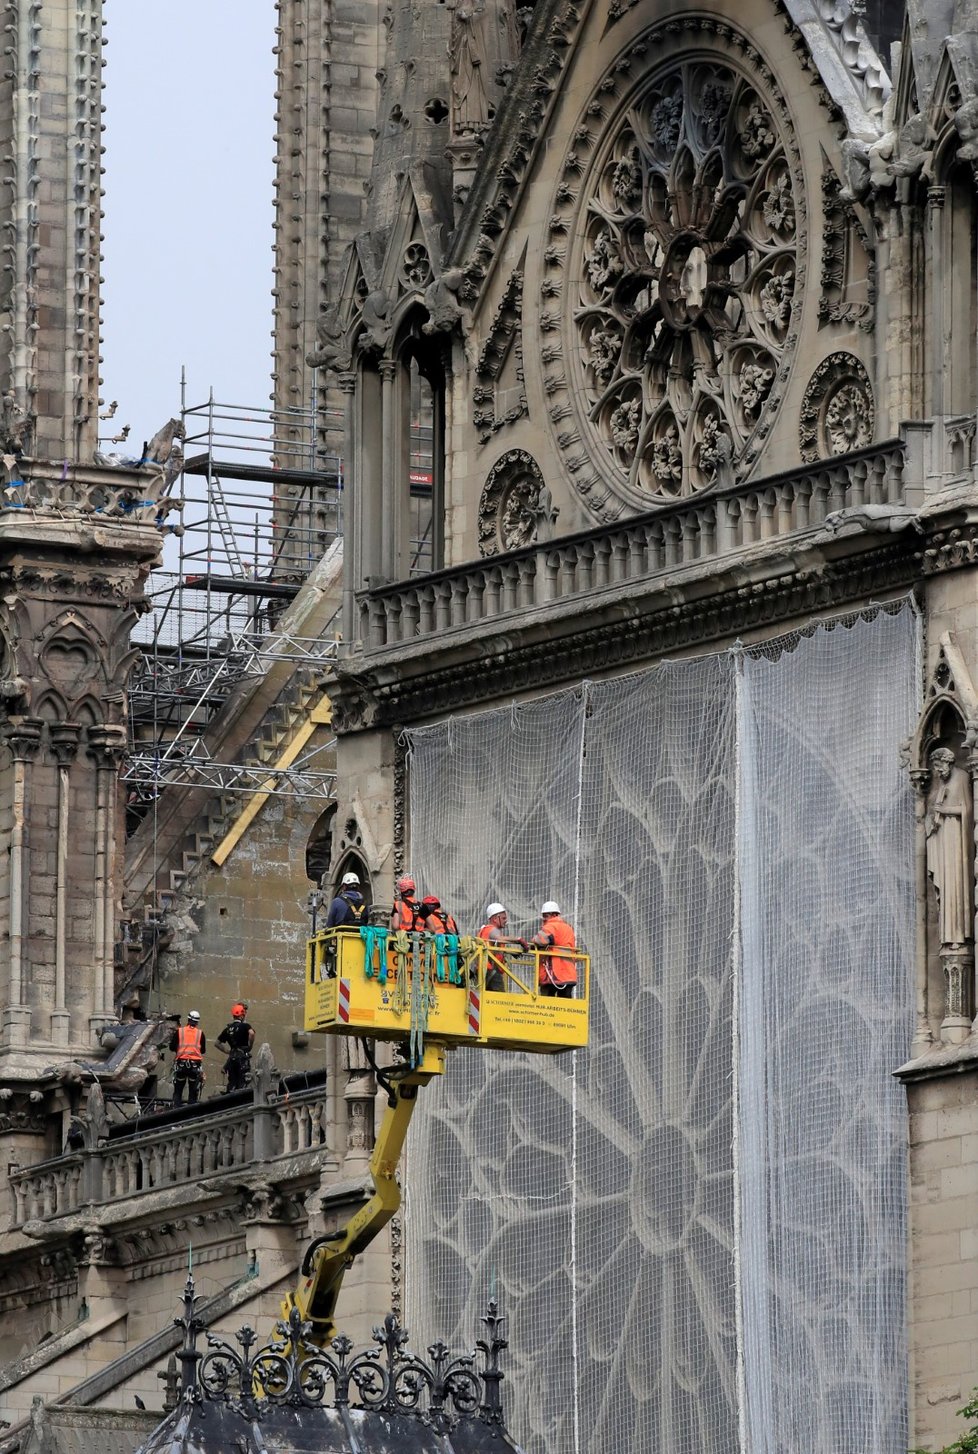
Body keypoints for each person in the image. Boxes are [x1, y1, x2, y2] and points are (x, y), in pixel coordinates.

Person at [478, 902, 529, 991]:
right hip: (492, 972)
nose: (506, 921)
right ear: (495, 918)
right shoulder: (493, 930)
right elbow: (499, 938)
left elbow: (494, 949)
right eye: (503, 918)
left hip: (484, 971)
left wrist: (511, 952)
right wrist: (518, 940)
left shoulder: (485, 930)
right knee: (499, 999)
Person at [531, 901, 578, 998]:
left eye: (546, 916)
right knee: (566, 1009)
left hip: (553, 975)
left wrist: (533, 941)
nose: (543, 919)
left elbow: (542, 940)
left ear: (554, 915)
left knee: (547, 1008)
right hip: (568, 974)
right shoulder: (568, 928)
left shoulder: (551, 925)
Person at [215, 1001, 255, 1093]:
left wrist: (227, 1051)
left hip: (232, 1058)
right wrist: (250, 1046)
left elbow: (217, 1043)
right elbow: (252, 1033)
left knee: (232, 1082)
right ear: (242, 1015)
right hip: (242, 1058)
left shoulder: (228, 1029)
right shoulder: (245, 1026)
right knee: (242, 1082)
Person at [169, 1011, 206, 1105]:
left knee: (178, 1091)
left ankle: (176, 1111)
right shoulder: (200, 1033)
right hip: (195, 1066)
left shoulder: (180, 1031)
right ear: (197, 1022)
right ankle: (191, 1115)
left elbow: (172, 1047)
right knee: (193, 1093)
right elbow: (203, 1050)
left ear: (188, 1019)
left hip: (181, 1064)